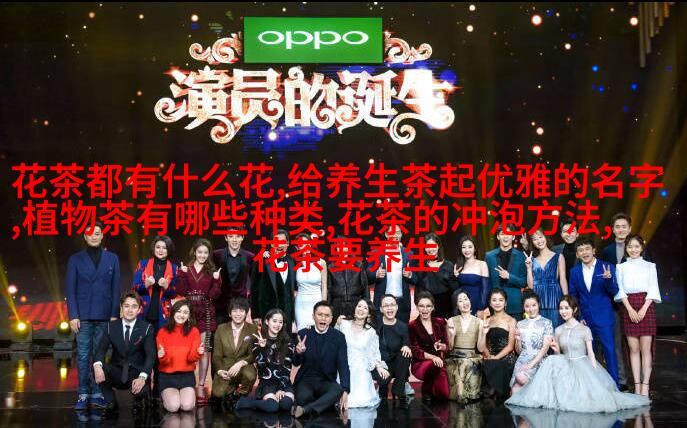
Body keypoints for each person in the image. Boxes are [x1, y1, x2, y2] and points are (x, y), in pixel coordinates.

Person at [506, 295, 650, 412]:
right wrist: (556, 350)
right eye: (561, 308)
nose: (563, 311)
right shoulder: (558, 330)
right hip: (565, 364)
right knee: (551, 362)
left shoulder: (584, 329)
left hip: (581, 364)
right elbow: (559, 356)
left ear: (574, 309)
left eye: (566, 308)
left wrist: (595, 373)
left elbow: (591, 354)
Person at [65, 221, 121, 411]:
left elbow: (115, 289)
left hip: (105, 315)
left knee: (101, 355)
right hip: (83, 315)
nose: (94, 236)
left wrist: (114, 315)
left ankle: (98, 392)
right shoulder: (75, 259)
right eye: (90, 233)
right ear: (85, 236)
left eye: (97, 233)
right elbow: (70, 289)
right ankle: (83, 393)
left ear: (102, 235)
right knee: (83, 355)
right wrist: (73, 315)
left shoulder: (112, 258)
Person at [568, 236, 620, 387]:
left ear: (594, 250)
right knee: (590, 354)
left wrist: (609, 279)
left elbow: (614, 291)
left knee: (609, 352)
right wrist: (579, 316)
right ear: (577, 254)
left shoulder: (607, 267)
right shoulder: (575, 272)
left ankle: (614, 386)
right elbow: (573, 296)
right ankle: (595, 387)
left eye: (587, 249)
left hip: (604, 317)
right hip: (585, 319)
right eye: (581, 250)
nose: (584, 253)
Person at [176, 238, 222, 405]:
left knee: (203, 351)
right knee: (186, 350)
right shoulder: (186, 269)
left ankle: (201, 386)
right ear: (194, 252)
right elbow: (181, 291)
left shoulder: (212, 271)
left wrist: (216, 280)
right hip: (188, 314)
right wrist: (181, 275)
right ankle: (186, 384)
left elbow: (214, 295)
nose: (202, 255)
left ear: (209, 254)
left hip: (205, 313)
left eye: (205, 252)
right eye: (200, 252)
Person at [600, 213, 644, 389]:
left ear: (630, 228)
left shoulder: (638, 248)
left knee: (638, 344)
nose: (621, 229)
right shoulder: (607, 251)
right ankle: (622, 380)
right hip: (614, 305)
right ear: (612, 229)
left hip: (637, 303)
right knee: (617, 343)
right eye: (617, 227)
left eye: (624, 226)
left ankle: (640, 381)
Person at [93, 293, 155, 415]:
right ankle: (111, 401)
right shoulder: (111, 327)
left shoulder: (146, 328)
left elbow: (150, 355)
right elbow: (100, 350)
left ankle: (139, 399)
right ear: (121, 307)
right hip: (117, 370)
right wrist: (97, 366)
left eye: (134, 306)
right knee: (97, 365)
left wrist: (142, 377)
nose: (130, 310)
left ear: (139, 310)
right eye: (126, 306)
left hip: (136, 371)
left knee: (144, 382)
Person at [615, 234, 661, 396]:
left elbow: (653, 288)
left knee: (645, 349)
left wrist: (643, 309)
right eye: (630, 247)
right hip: (628, 306)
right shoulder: (620, 267)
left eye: (636, 246)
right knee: (633, 349)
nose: (633, 249)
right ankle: (637, 384)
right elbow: (620, 290)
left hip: (646, 305)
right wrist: (629, 309)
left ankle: (645, 385)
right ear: (626, 249)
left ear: (641, 248)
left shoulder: (650, 266)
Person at [292, 301, 350, 419]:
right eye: (320, 315)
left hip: (326, 381)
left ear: (331, 318)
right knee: (303, 398)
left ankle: (306, 410)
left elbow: (343, 365)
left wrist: (345, 390)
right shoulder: (303, 333)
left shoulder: (339, 337)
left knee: (338, 390)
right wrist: (298, 353)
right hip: (306, 380)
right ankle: (323, 405)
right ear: (313, 316)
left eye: (327, 315)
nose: (323, 318)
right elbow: (295, 362)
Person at [232, 309, 295, 413]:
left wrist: (281, 388)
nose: (277, 325)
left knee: (286, 405)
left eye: (280, 322)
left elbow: (287, 368)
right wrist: (263, 348)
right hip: (267, 383)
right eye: (274, 321)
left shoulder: (288, 342)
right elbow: (262, 369)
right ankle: (246, 402)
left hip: (284, 382)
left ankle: (275, 398)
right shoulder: (257, 341)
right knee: (272, 407)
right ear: (267, 321)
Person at [156, 300, 204, 413]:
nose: (181, 315)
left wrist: (198, 353)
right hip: (167, 377)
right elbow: (164, 363)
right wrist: (162, 356)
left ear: (189, 316)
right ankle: (165, 397)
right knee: (173, 407)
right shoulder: (162, 332)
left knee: (187, 406)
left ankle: (181, 396)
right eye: (179, 311)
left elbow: (191, 359)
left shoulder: (194, 332)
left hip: (186, 376)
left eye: (185, 312)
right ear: (173, 312)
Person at [336, 298, 385, 408]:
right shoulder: (343, 324)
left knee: (361, 401)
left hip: (361, 368)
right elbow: (333, 341)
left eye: (365, 308)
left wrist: (378, 366)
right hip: (344, 366)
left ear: (369, 314)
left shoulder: (371, 332)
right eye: (359, 306)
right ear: (354, 309)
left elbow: (373, 353)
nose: (361, 309)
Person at [211, 297, 258, 407]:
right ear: (229, 313)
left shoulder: (252, 329)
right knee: (218, 394)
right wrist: (220, 370)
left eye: (241, 311)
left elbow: (252, 354)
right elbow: (217, 355)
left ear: (246, 313)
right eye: (235, 311)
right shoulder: (221, 329)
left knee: (250, 375)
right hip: (226, 366)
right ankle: (231, 388)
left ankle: (239, 393)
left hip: (243, 366)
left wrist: (240, 363)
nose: (238, 314)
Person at [367, 224, 417, 323]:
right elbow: (368, 275)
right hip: (382, 304)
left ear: (401, 235)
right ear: (386, 234)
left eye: (398, 233)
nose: (395, 235)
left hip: (402, 304)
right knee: (381, 331)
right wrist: (376, 274)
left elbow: (416, 278)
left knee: (402, 331)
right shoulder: (376, 253)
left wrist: (410, 275)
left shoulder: (409, 254)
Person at [250, 229, 297, 329]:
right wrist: (256, 314)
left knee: (286, 338)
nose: (279, 245)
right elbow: (254, 289)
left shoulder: (292, 261)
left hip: (287, 315)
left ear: (288, 243)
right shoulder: (261, 261)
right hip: (267, 314)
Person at [510, 291, 553, 395]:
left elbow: (545, 348)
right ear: (523, 307)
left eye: (534, 305)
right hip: (523, 360)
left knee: (521, 381)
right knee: (514, 392)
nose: (531, 309)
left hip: (539, 360)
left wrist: (530, 365)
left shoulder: (546, 323)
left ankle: (537, 390)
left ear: (539, 305)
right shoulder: (520, 324)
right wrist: (518, 340)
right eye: (527, 306)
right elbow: (519, 351)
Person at [446, 290, 486, 403]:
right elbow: (450, 347)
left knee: (467, 362)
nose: (464, 303)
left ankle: (462, 393)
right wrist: (452, 335)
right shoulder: (451, 321)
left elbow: (481, 349)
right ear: (456, 305)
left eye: (466, 299)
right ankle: (460, 394)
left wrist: (483, 333)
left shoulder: (479, 322)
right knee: (462, 363)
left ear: (470, 301)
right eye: (460, 301)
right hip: (455, 358)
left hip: (472, 358)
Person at [409, 291, 450, 402]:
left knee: (444, 396)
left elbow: (447, 346)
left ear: (433, 307)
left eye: (428, 306)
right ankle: (426, 389)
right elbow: (415, 350)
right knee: (433, 364)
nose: (425, 309)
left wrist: (442, 346)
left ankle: (432, 387)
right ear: (417, 307)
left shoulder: (440, 322)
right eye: (421, 306)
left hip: (439, 364)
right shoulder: (412, 325)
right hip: (420, 364)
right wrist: (433, 357)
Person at [373, 295, 412, 404]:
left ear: (397, 307)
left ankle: (398, 389)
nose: (389, 308)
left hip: (397, 365)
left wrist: (406, 346)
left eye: (392, 305)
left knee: (406, 353)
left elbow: (407, 343)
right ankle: (382, 388)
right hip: (381, 364)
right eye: (386, 306)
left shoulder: (403, 326)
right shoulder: (375, 324)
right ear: (381, 309)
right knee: (383, 382)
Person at [133, 235, 178, 329]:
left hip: (164, 314)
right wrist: (145, 285)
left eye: (164, 248)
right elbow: (134, 288)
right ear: (153, 248)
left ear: (169, 250)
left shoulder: (174, 268)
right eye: (158, 247)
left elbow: (175, 293)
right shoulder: (143, 264)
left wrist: (167, 287)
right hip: (144, 311)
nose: (160, 250)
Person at [526, 228, 568, 328]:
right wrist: (528, 268)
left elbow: (562, 279)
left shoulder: (559, 257)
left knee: (556, 326)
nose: (539, 241)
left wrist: (567, 299)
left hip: (554, 295)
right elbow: (530, 286)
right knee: (540, 329)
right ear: (532, 243)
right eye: (535, 239)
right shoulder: (532, 260)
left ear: (546, 237)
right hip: (538, 297)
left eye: (540, 237)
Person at [213, 224, 254, 325]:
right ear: (226, 238)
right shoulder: (216, 255)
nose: (234, 240)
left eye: (238, 236)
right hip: (220, 305)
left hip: (240, 304)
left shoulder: (249, 256)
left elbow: (254, 283)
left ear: (242, 237)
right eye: (231, 236)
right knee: (220, 331)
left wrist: (250, 306)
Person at [485, 225, 527, 320]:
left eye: (509, 234)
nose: (505, 237)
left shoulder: (521, 256)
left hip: (515, 305)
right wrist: (487, 305)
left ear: (513, 237)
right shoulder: (489, 256)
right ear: (498, 236)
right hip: (495, 305)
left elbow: (524, 282)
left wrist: (509, 277)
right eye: (503, 234)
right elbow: (487, 282)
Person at [481, 289, 517, 398]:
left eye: (501, 300)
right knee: (483, 364)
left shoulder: (511, 320)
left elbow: (510, 346)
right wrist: (488, 355)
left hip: (506, 356)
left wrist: (495, 358)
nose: (497, 303)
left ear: (505, 303)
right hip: (490, 355)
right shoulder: (487, 320)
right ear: (490, 302)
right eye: (494, 300)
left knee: (497, 365)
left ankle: (494, 393)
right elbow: (484, 344)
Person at [327, 235, 370, 322]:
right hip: (337, 306)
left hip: (355, 305)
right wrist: (329, 309)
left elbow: (365, 288)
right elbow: (329, 290)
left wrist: (367, 307)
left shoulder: (358, 265)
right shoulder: (331, 267)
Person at [416, 233, 455, 319]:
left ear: (438, 246)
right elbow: (419, 290)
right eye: (427, 246)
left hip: (449, 311)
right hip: (429, 312)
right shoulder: (421, 266)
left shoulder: (448, 265)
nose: (430, 249)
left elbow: (454, 289)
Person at [294, 232, 328, 330]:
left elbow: (324, 286)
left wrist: (323, 305)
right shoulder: (295, 263)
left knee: (318, 331)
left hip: (317, 301)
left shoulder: (321, 262)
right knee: (302, 331)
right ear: (297, 248)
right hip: (301, 304)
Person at [453, 236, 490, 316]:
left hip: (478, 304)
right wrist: (455, 277)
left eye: (470, 247)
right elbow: (456, 290)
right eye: (464, 247)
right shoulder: (458, 265)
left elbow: (485, 289)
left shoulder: (482, 264)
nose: (467, 250)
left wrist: (481, 308)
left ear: (475, 248)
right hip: (463, 305)